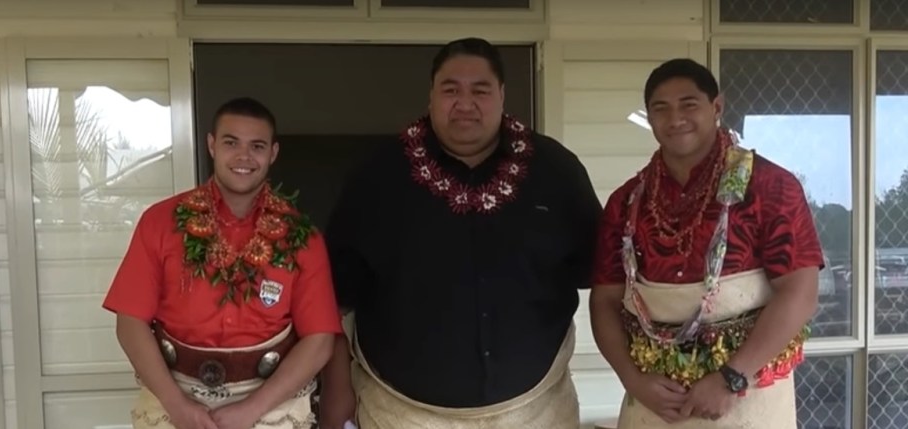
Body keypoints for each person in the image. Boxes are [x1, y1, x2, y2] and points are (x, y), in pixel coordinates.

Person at [316, 37, 603, 429]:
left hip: (536, 410)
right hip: (400, 412)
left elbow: (606, 279)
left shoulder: (557, 172)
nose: (464, 103)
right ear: (431, 96)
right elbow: (333, 297)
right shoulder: (376, 177)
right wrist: (336, 391)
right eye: (450, 89)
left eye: (480, 90)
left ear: (502, 95)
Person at [589, 58, 822, 428]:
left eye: (689, 104)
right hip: (654, 400)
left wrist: (732, 377)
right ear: (649, 118)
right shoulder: (627, 202)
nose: (675, 118)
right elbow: (604, 302)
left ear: (717, 107)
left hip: (747, 396)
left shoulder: (770, 187)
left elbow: (800, 292)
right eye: (660, 109)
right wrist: (633, 380)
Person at [102, 97, 343, 429]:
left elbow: (319, 342)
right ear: (212, 145)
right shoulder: (160, 223)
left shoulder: (301, 237)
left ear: (272, 153)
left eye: (257, 146)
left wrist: (250, 411)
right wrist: (177, 405)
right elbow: (129, 324)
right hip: (174, 397)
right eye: (231, 143)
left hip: (269, 403)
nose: (244, 156)